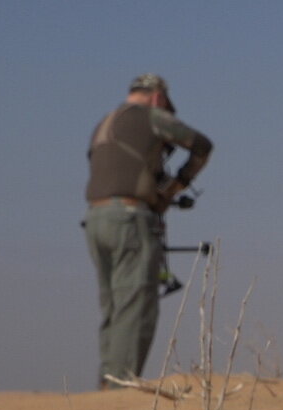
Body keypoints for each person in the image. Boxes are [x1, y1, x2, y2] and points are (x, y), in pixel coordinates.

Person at [84, 73, 213, 387]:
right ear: (157, 97)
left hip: (96, 219)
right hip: (130, 218)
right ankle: (119, 391)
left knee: (114, 305)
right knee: (136, 305)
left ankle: (106, 382)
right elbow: (202, 145)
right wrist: (175, 187)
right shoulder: (153, 117)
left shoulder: (105, 123)